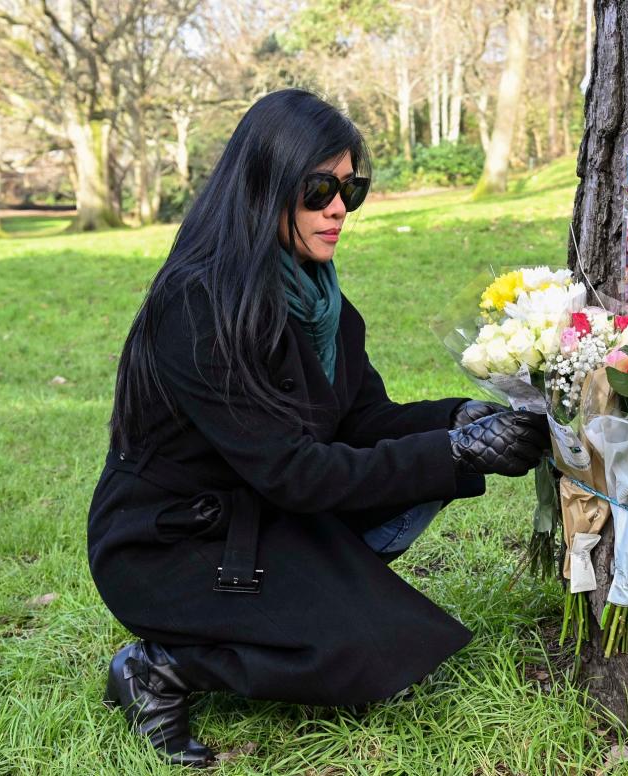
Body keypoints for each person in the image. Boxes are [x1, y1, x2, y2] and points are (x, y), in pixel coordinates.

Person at [87, 89, 549, 767]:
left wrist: (461, 417)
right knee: (371, 651)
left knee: (387, 617)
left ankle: (318, 596)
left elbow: (363, 421)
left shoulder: (324, 302)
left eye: (350, 189)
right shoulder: (198, 306)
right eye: (318, 189)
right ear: (264, 188)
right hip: (173, 543)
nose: (337, 207)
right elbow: (295, 471)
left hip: (264, 516)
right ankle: (160, 666)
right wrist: (453, 453)